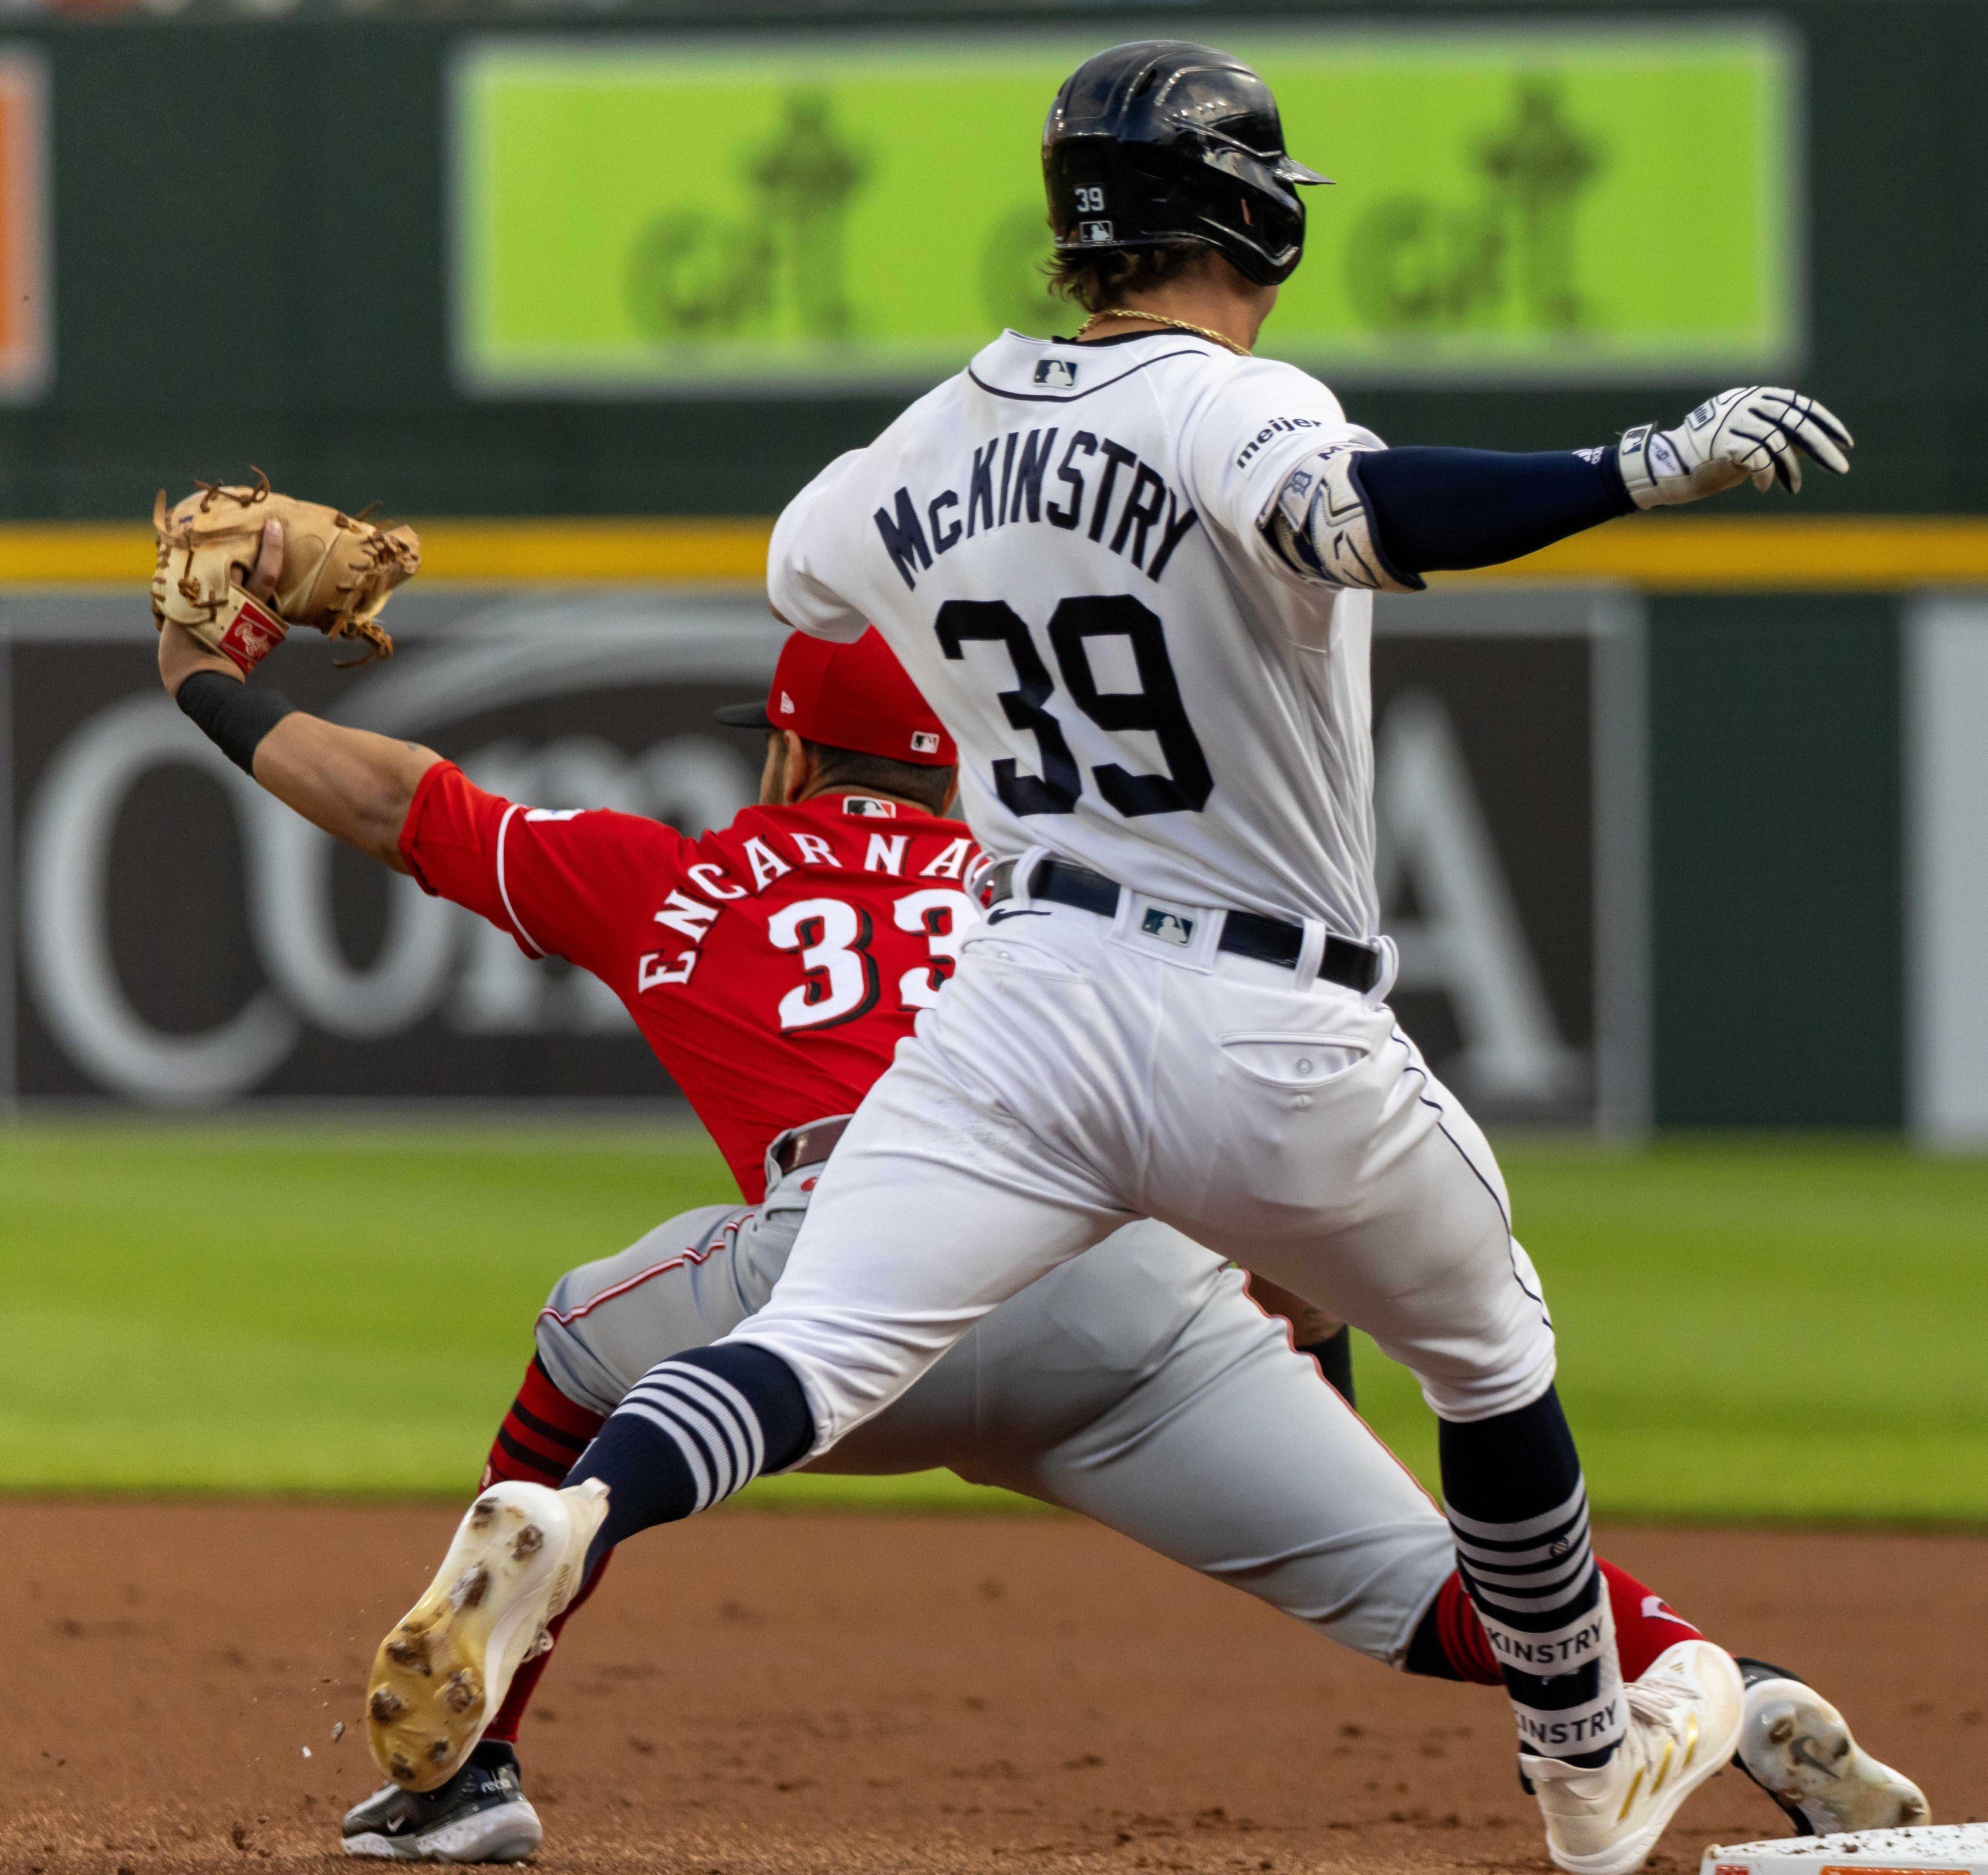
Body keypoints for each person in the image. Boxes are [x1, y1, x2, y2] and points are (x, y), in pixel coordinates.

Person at [343, 39, 1856, 1875]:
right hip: (1268, 1019)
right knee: (1487, 1355)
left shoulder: (904, 452)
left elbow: (805, 571)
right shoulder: (1234, 408)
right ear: (1248, 216)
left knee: (809, 1345)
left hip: (1028, 1009)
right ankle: (1578, 1770)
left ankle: (577, 1524)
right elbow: (1372, 521)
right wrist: (1635, 466)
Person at [161, 618, 1921, 1862]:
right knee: (1434, 1593)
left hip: (847, 1278)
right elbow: (1275, 1166)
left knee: (574, 1345)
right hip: (1130, 1310)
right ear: (956, 765)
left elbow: (394, 799)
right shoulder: (1049, 882)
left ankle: (483, 1761)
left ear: (782, 748)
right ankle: (1726, 1683)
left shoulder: (674, 873)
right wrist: (1302, 1341)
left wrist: (207, 683)